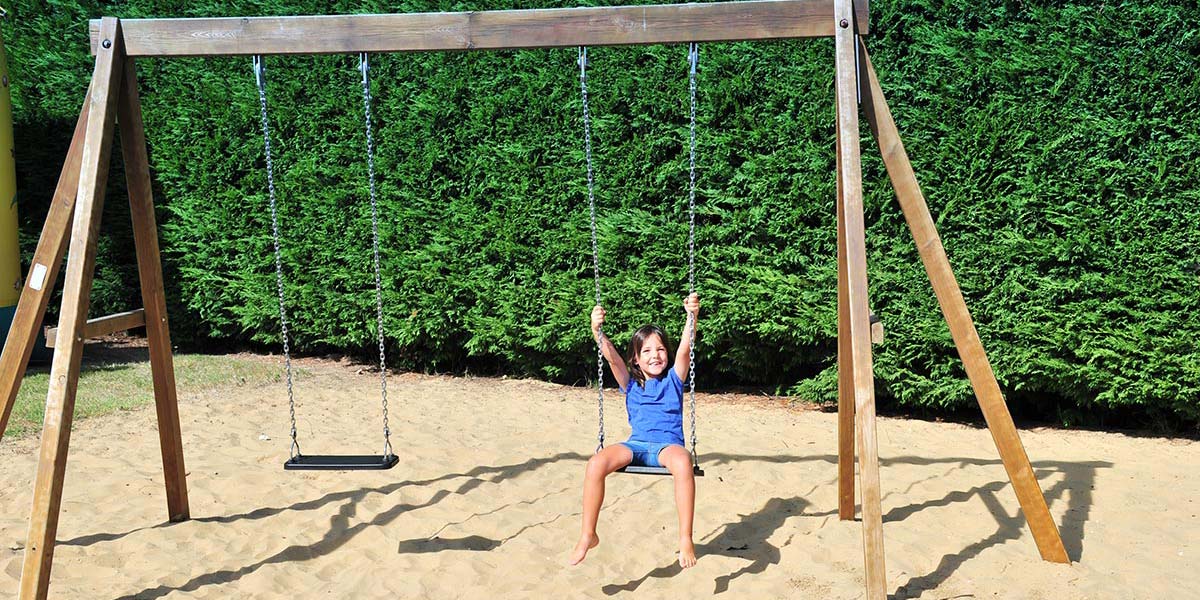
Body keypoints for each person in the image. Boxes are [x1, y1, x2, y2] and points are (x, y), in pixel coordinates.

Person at [568, 293, 701, 568]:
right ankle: (588, 534)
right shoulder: (630, 383)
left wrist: (692, 317)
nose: (655, 356)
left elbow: (686, 351)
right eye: (647, 351)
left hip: (667, 448)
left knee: (682, 462)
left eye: (661, 349)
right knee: (595, 464)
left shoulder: (674, 379)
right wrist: (597, 332)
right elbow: (614, 360)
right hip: (637, 446)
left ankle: (685, 537)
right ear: (637, 360)